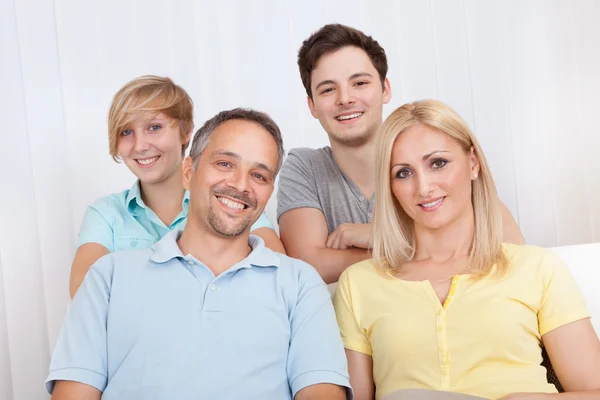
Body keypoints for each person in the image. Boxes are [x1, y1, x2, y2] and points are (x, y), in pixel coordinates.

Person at [46, 108, 351, 400]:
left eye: (259, 175)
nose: (240, 185)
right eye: (224, 164)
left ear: (269, 191)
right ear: (188, 171)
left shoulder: (299, 284)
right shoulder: (108, 277)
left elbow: (320, 391)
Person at [333, 99, 600, 400]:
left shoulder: (537, 268)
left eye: (438, 163)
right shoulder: (359, 284)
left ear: (473, 163)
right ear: (390, 186)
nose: (424, 187)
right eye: (403, 173)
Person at [277, 24, 524, 285]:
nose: (345, 98)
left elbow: (511, 246)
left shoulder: (430, 152)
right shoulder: (304, 166)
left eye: (359, 83)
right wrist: (414, 246)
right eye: (328, 89)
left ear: (385, 89)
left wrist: (379, 236)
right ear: (312, 105)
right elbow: (308, 266)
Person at [69, 75, 285, 298]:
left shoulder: (232, 201)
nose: (140, 146)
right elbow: (85, 298)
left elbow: (280, 281)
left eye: (154, 127)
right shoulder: (106, 214)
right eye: (126, 132)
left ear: (186, 131)